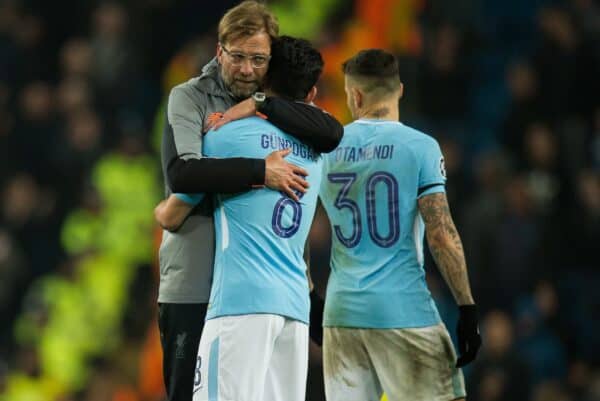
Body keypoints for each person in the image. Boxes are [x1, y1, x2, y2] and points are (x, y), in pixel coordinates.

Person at [156, 2, 342, 401]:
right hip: (194, 285)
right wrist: (261, 171)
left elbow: (331, 131)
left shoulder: (264, 119)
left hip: (249, 291)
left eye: (257, 59)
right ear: (218, 50)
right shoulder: (190, 98)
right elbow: (183, 174)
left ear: (271, 62)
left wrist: (261, 106)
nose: (245, 69)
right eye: (237, 56)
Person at [318, 49, 481, 401]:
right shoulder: (420, 147)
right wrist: (466, 307)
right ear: (400, 90)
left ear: (356, 95)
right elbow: (440, 233)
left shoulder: (325, 151)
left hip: (341, 313)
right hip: (403, 310)